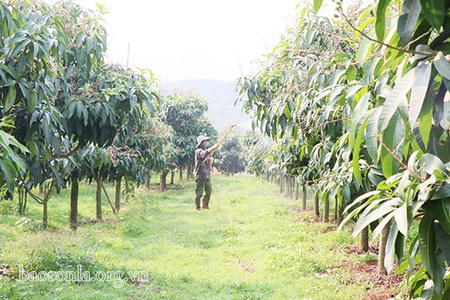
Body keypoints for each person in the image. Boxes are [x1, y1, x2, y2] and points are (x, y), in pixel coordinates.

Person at [194, 135, 219, 211]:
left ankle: (205, 205)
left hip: (207, 175)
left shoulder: (204, 150)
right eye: (204, 141)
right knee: (199, 192)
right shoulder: (198, 151)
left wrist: (210, 160)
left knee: (208, 191)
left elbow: (206, 159)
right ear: (201, 143)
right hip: (200, 175)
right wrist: (213, 148)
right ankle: (198, 207)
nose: (206, 142)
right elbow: (204, 154)